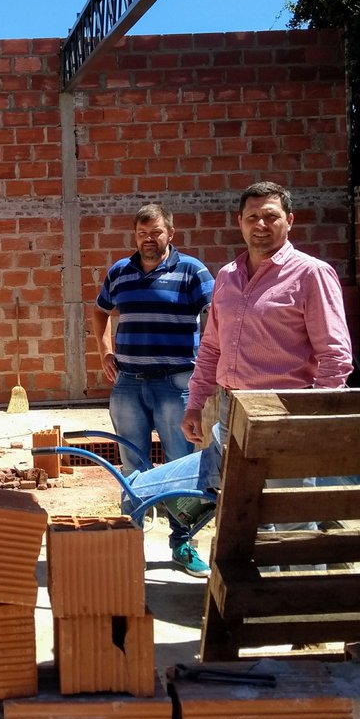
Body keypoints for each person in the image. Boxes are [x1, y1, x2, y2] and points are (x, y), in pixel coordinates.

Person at [127, 181, 355, 579]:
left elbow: (335, 356)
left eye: (271, 216)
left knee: (292, 521)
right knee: (240, 510)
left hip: (285, 413)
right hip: (233, 412)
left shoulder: (311, 275)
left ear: (290, 221)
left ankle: (308, 621)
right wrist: (195, 403)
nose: (261, 225)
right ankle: (255, 597)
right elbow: (212, 348)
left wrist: (315, 420)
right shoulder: (229, 276)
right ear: (240, 222)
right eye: (253, 217)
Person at [91, 204, 214, 570]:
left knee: (181, 466)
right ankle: (129, 542)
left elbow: (218, 314)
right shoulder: (120, 272)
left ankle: (182, 544)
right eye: (142, 233)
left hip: (176, 383)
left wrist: (212, 362)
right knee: (132, 464)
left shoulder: (192, 271)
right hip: (128, 383)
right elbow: (99, 310)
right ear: (135, 235)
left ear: (170, 233)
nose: (149, 239)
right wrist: (105, 350)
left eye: (156, 232)